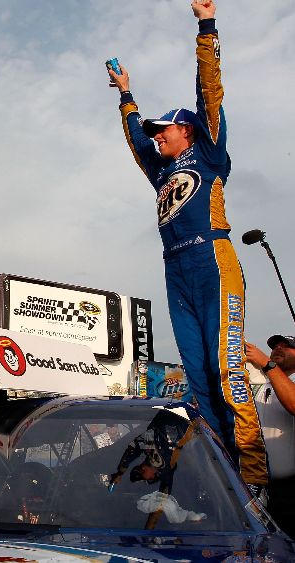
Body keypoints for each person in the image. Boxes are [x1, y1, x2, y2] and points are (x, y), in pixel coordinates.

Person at [108, 0, 267, 492]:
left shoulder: (210, 152)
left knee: (227, 372)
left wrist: (206, 26)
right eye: (156, 132)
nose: (157, 138)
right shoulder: (161, 173)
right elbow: (136, 140)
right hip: (176, 272)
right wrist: (126, 96)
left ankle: (257, 480)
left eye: (165, 130)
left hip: (213, 261)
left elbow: (211, 93)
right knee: (198, 383)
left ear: (187, 131)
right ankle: (223, 485)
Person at [245, 335, 295, 534]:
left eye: (287, 346)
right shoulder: (261, 382)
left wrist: (267, 363)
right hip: (256, 486)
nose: (278, 349)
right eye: (275, 346)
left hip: (290, 491)